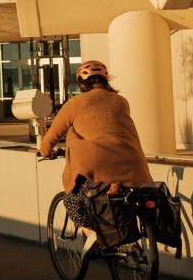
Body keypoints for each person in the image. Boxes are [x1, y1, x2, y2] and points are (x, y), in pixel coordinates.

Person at [38, 60, 153, 250]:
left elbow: (52, 136)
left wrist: (45, 151)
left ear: (83, 84)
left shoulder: (75, 103)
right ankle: (128, 241)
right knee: (123, 197)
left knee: (73, 199)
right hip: (133, 164)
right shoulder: (122, 101)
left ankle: (92, 235)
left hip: (97, 165)